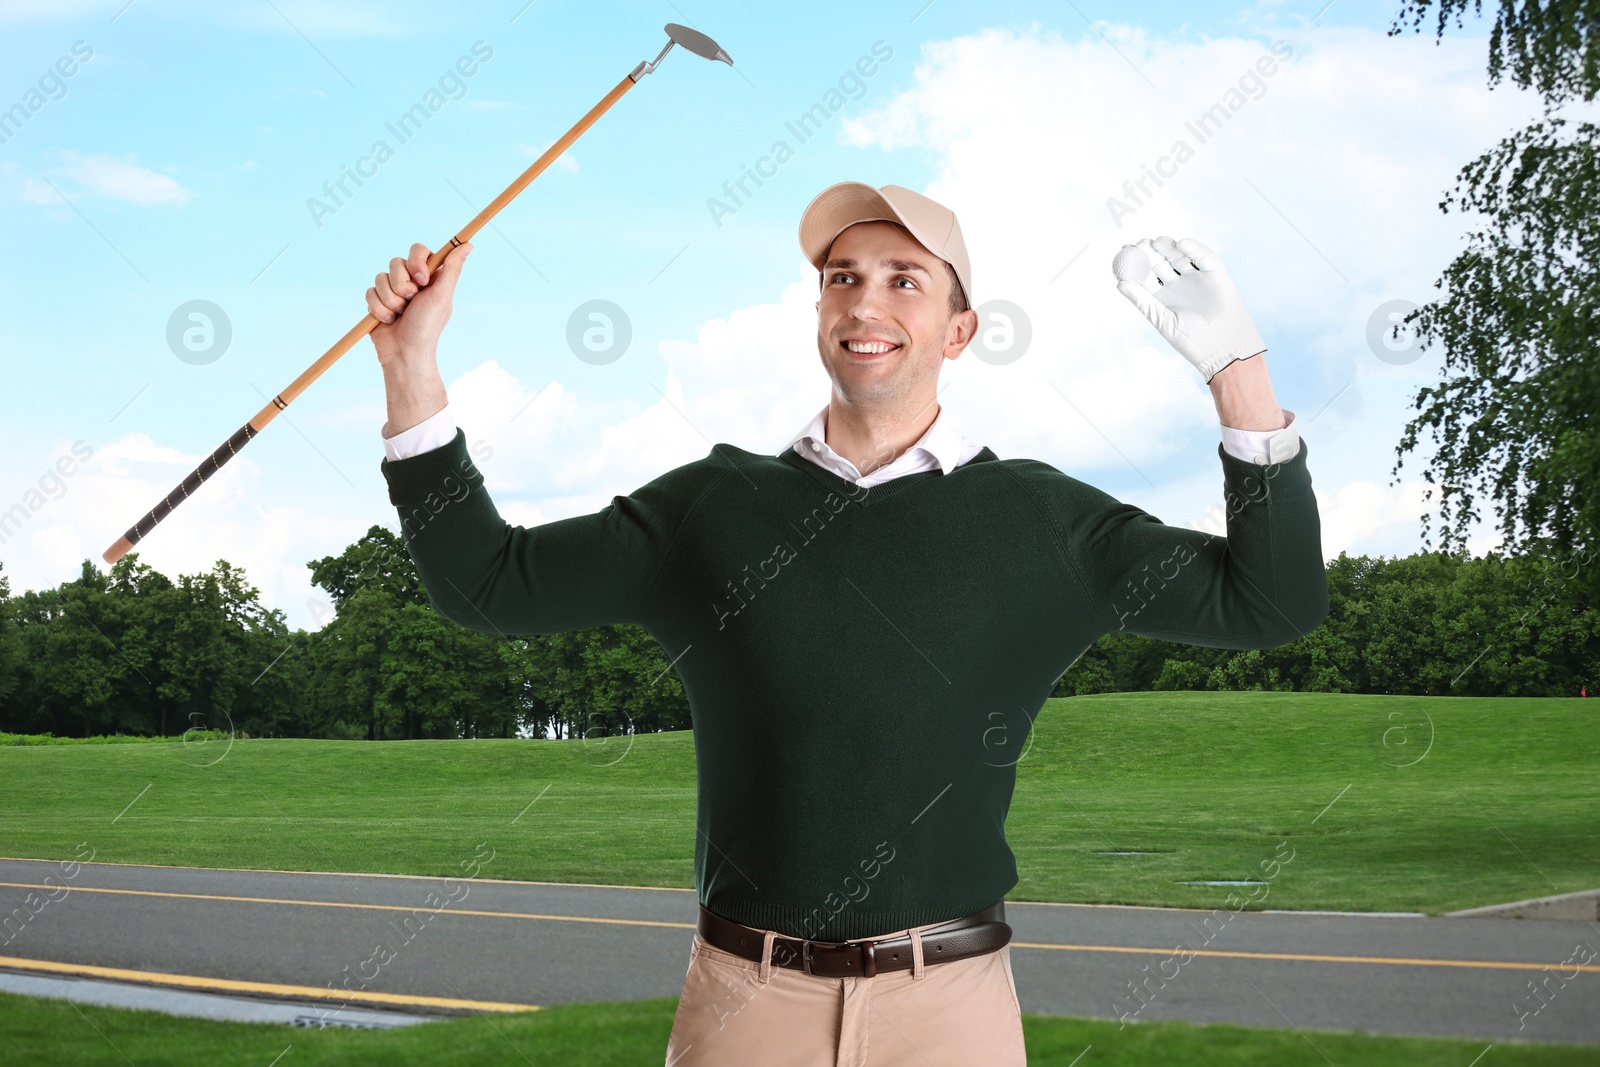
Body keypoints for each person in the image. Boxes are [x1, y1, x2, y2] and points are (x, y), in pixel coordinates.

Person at [367, 181, 1328, 1066]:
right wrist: (411, 367)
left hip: (950, 1009)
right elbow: (485, 584)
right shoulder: (714, 506)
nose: (867, 304)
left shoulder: (1042, 520)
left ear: (960, 331)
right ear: (821, 314)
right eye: (843, 279)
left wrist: (1236, 371)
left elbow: (1273, 603)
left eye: (904, 280)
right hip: (746, 1003)